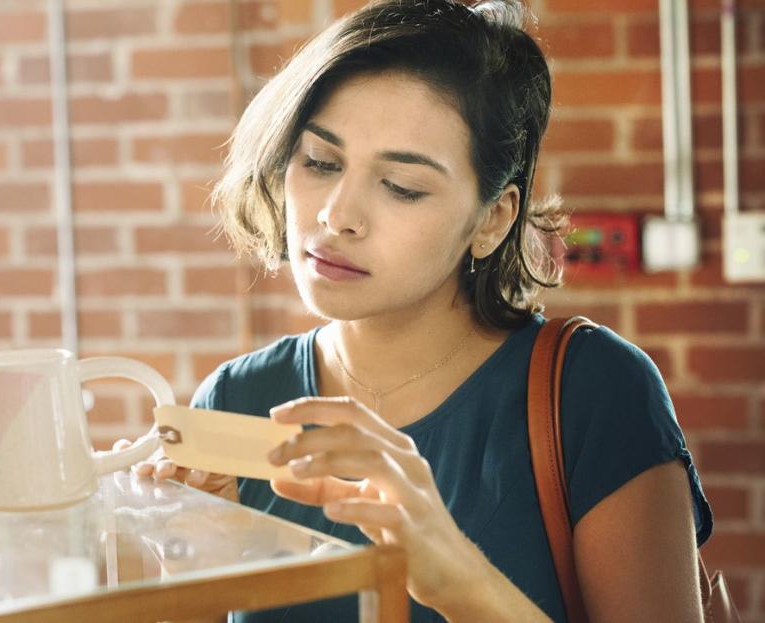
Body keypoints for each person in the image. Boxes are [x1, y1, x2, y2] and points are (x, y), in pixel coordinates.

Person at [127, 0, 713, 621]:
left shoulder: (594, 392)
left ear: (492, 220)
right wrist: (192, 575)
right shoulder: (236, 398)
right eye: (320, 163)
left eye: (402, 187)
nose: (337, 215)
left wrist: (459, 578)